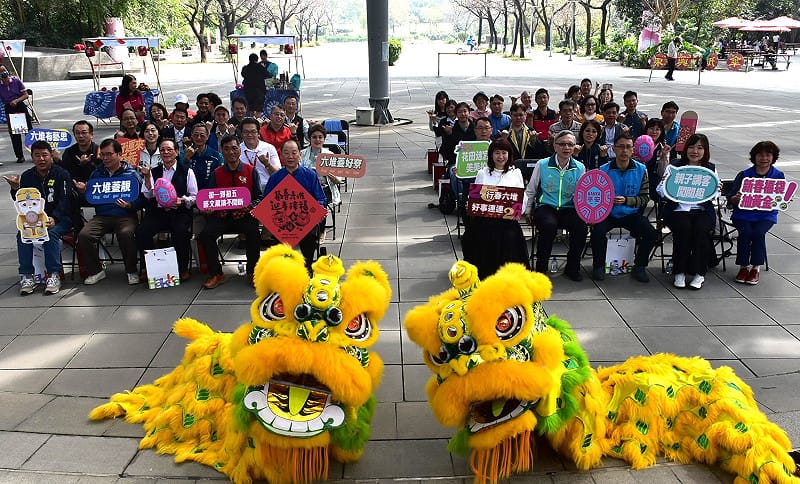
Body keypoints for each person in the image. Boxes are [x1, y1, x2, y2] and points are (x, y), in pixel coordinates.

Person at [4, 141, 72, 295]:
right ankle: (27, 276)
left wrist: (55, 217)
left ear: (51, 156)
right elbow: (21, 202)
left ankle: (54, 275)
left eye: (45, 155)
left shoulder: (61, 174)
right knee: (22, 235)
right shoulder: (27, 176)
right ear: (32, 157)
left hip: (60, 219)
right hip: (34, 221)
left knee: (50, 234)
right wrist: (15, 189)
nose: (41, 159)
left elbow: (66, 200)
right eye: (37, 155)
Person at [590, 133, 657, 283]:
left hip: (630, 213)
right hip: (608, 214)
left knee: (651, 233)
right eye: (620, 147)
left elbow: (645, 198)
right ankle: (598, 267)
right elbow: (594, 196)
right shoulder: (603, 169)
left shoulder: (641, 170)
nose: (624, 151)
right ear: (614, 149)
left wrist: (628, 201)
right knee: (597, 232)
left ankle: (640, 267)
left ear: (633, 150)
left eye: (628, 147)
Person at [77, 139, 145, 286]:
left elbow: (143, 199)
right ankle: (96, 271)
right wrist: (83, 192)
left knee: (126, 234)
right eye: (103, 155)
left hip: (125, 216)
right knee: (84, 235)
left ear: (119, 154)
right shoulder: (96, 174)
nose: (105, 158)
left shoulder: (132, 174)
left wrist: (130, 205)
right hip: (102, 217)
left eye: (109, 154)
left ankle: (131, 270)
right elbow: (90, 200)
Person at [199, 135, 263, 289]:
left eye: (234, 148)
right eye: (226, 149)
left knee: (253, 232)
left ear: (239, 150)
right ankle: (216, 273)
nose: (231, 152)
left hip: (244, 216)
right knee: (206, 235)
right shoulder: (217, 173)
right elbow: (208, 197)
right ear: (222, 152)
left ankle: (252, 272)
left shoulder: (251, 171)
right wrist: (208, 209)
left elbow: (259, 197)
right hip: (222, 217)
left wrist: (250, 207)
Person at [524, 131, 587, 281]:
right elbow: (531, 188)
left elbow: (583, 193)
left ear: (575, 147)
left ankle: (572, 268)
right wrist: (527, 211)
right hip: (546, 207)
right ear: (555, 146)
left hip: (569, 208)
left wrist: (587, 215)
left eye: (570, 144)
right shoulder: (543, 164)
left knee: (581, 228)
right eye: (562, 144)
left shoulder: (580, 167)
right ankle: (541, 269)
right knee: (548, 226)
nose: (566, 147)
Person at [461, 138, 528, 279]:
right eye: (497, 153)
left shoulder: (515, 173)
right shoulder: (483, 173)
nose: (501, 157)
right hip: (486, 220)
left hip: (507, 221)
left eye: (504, 153)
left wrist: (517, 210)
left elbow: (522, 199)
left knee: (509, 237)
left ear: (509, 155)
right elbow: (475, 196)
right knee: (475, 236)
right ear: (491, 155)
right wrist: (471, 204)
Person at [656, 133, 716, 290]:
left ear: (705, 151)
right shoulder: (675, 166)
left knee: (701, 229)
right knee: (684, 227)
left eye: (700, 148)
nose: (695, 151)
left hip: (702, 211)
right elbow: (661, 192)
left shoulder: (710, 169)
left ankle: (699, 273)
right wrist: (664, 184)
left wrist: (718, 189)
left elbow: (715, 195)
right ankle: (679, 271)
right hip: (677, 210)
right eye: (691, 147)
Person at [136, 138, 197, 282]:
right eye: (162, 150)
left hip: (179, 212)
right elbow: (148, 194)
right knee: (142, 231)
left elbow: (194, 196)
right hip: (158, 212)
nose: (166, 152)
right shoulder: (153, 171)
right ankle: (147, 268)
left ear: (177, 152)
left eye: (169, 149)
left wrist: (182, 201)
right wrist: (146, 177)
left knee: (180, 231)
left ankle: (182, 268)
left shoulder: (187, 171)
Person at [725, 141, 785, 286]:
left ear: (773, 157)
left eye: (768, 155)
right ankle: (743, 267)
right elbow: (730, 197)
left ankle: (756, 267)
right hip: (743, 214)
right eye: (760, 154)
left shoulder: (778, 175)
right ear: (754, 157)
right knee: (745, 232)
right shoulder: (745, 175)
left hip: (766, 215)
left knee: (758, 233)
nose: (764, 158)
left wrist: (782, 201)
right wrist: (735, 198)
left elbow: (781, 197)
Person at [264, 139, 327, 272]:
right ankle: (285, 269)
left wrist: (317, 211)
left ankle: (307, 266)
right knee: (277, 241)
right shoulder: (275, 177)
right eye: (286, 153)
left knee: (310, 236)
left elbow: (320, 198)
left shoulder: (310, 175)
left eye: (294, 153)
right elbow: (267, 201)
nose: (290, 157)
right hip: (282, 221)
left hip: (305, 220)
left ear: (300, 155)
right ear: (282, 156)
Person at [239, 117, 280, 193]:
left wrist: (267, 164)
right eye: (246, 132)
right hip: (245, 190)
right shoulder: (237, 150)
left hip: (268, 188)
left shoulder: (269, 148)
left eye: (253, 132)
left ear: (258, 133)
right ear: (241, 134)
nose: (250, 135)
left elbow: (278, 175)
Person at [0, 66, 31, 164]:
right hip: (9, 108)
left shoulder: (16, 81)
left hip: (20, 106)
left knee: (29, 132)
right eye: (1, 72)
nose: (4, 73)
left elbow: (26, 95)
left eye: (4, 70)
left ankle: (34, 153)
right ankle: (20, 156)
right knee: (14, 133)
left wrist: (16, 100)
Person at [182, 123, 222, 191]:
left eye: (202, 135)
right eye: (196, 135)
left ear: (207, 136)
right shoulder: (184, 153)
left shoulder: (216, 156)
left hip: (210, 193)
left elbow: (220, 176)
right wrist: (186, 159)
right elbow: (181, 176)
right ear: (191, 136)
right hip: (189, 192)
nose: (199, 138)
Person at [241, 53, 267, 120]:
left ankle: (252, 121)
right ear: (257, 59)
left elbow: (243, 74)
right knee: (259, 109)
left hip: (248, 90)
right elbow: (267, 75)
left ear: (249, 59)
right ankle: (258, 123)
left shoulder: (245, 68)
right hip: (259, 90)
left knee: (251, 108)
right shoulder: (260, 67)